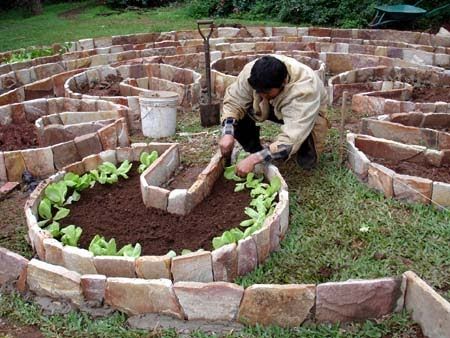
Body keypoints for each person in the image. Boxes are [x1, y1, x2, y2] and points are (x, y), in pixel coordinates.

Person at [218, 54, 330, 176]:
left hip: (308, 112)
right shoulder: (252, 73)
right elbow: (234, 102)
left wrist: (254, 159)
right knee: (238, 114)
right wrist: (227, 133)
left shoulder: (304, 90)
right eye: (258, 91)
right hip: (274, 104)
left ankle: (260, 156)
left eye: (266, 92)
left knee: (307, 161)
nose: (261, 95)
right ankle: (253, 149)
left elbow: (291, 140)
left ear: (284, 82)